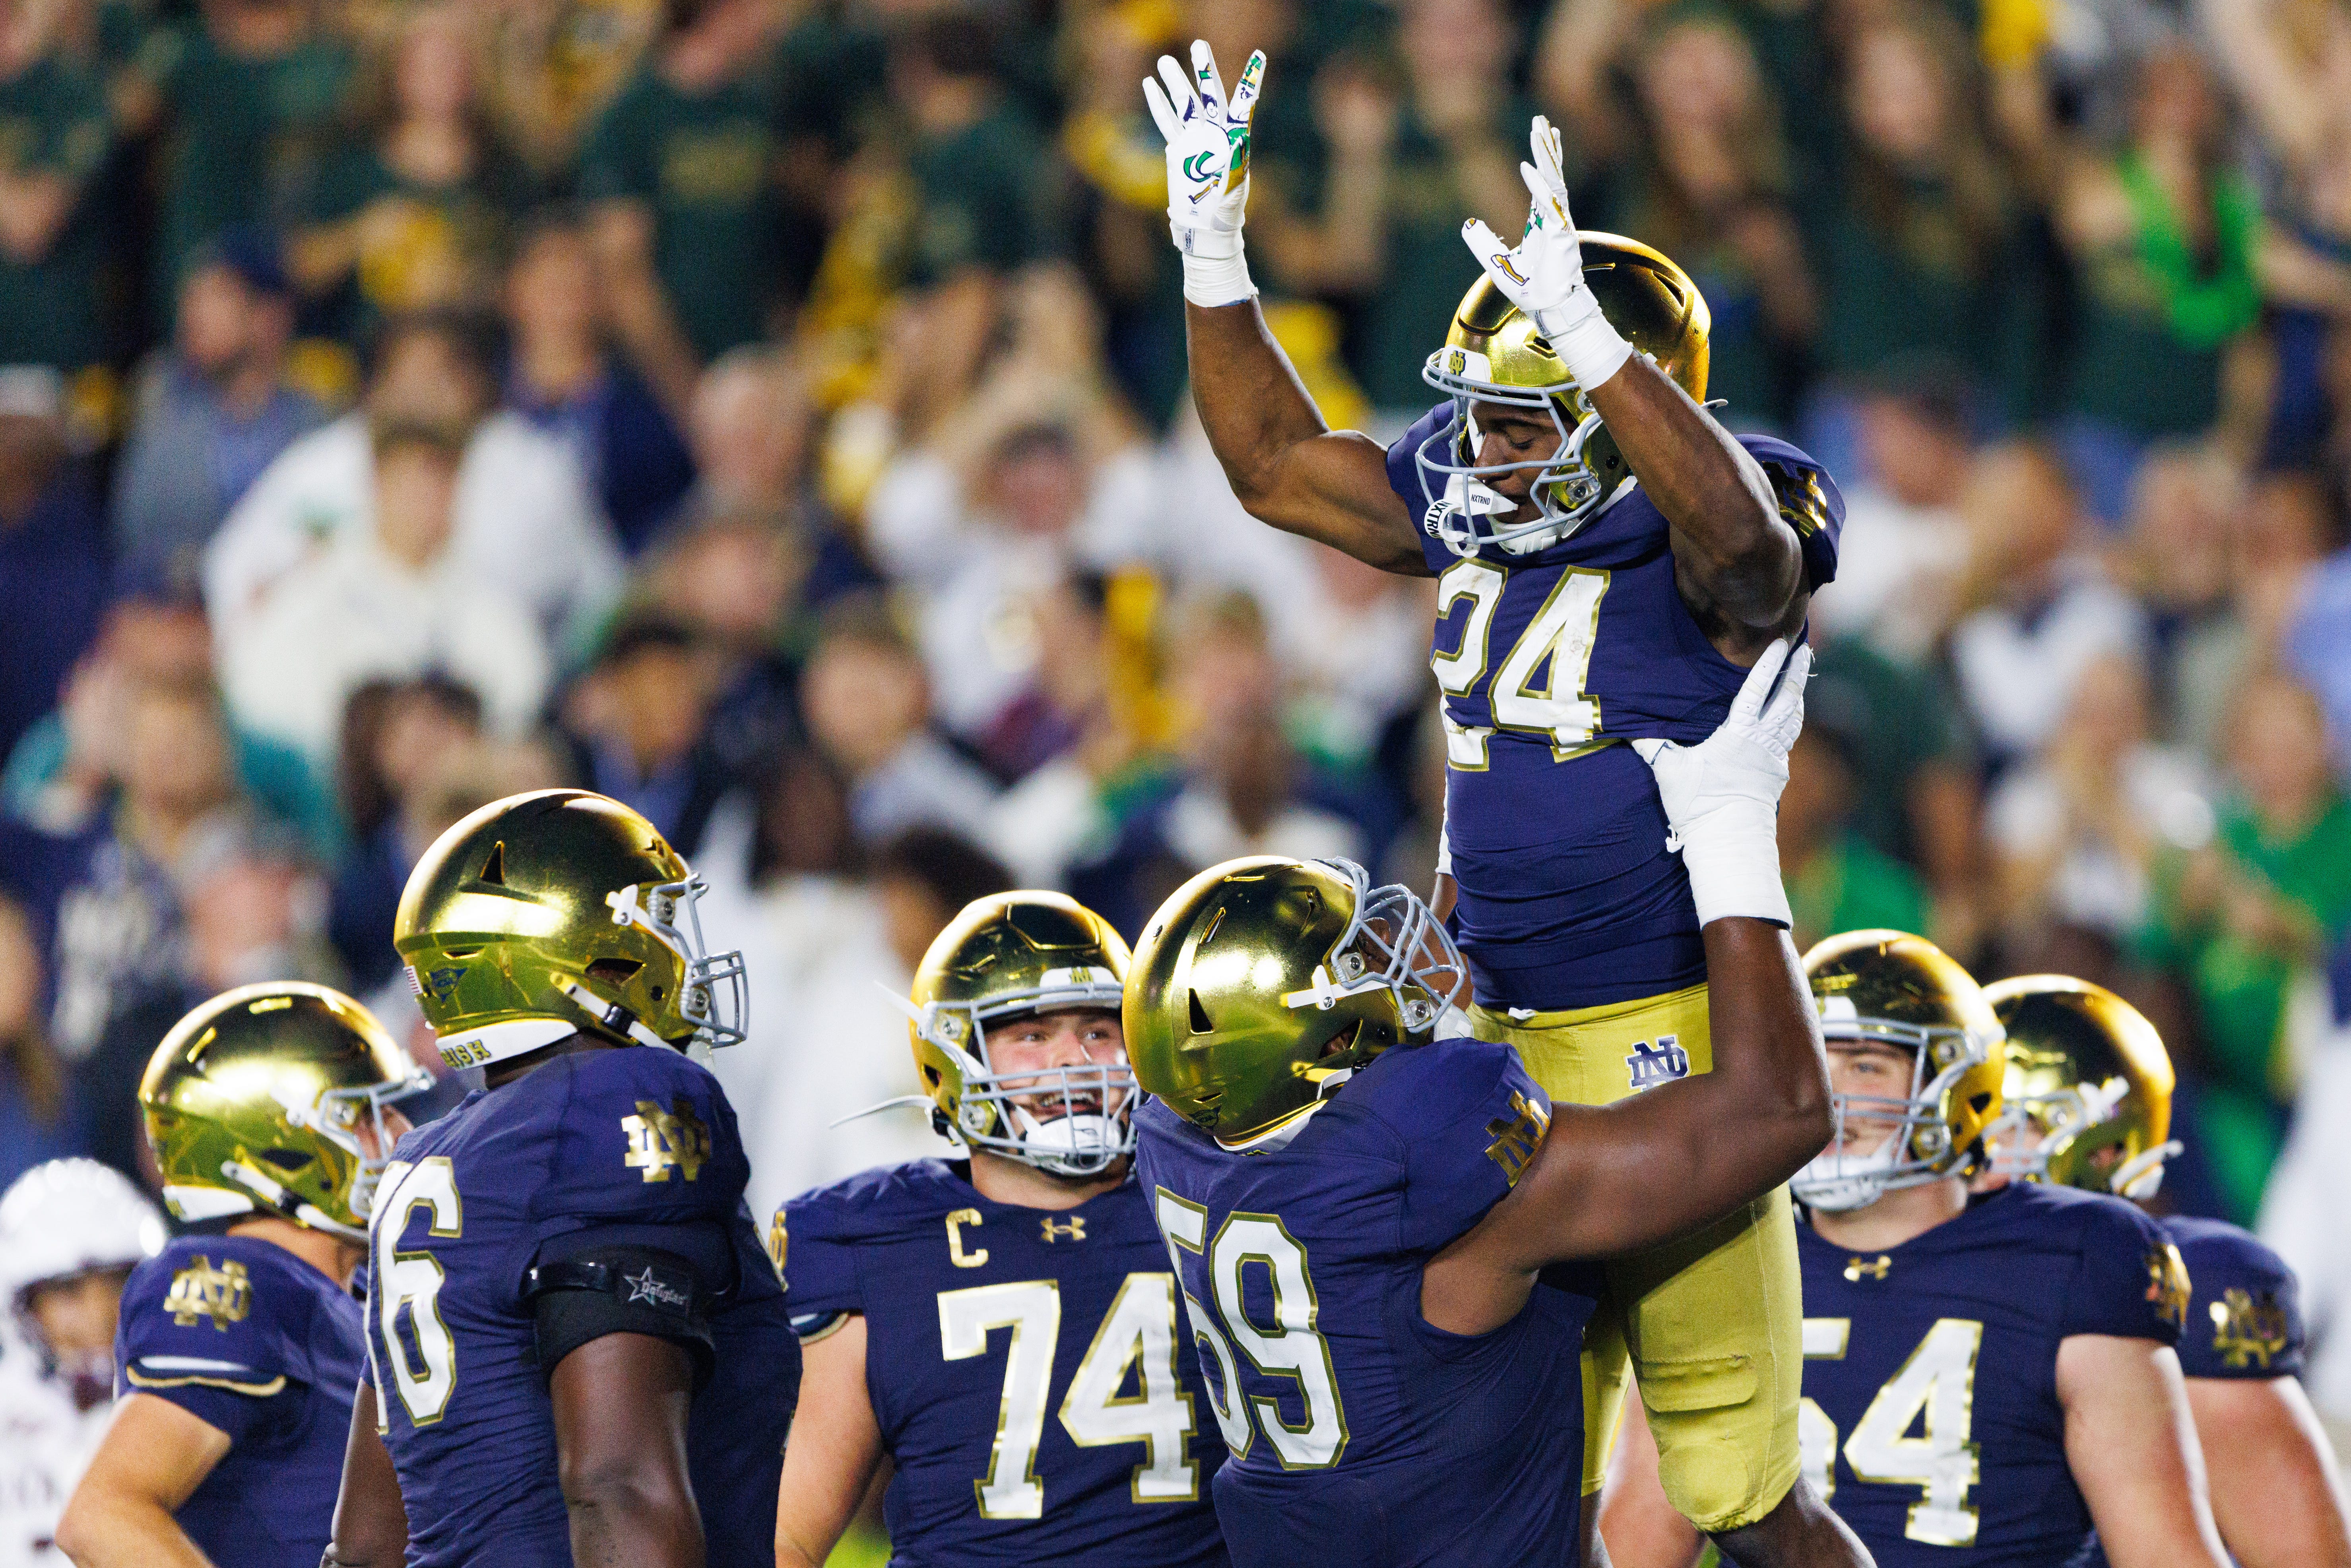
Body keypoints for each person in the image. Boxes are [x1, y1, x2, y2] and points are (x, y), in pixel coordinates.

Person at [1145, 43, 1853, 1558]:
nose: (1480, 450)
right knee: (1504, 1462)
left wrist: (1597, 348)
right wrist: (1212, 250)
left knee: (1737, 1490)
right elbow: (1275, 467)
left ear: (1624, 409)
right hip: (1481, 1027)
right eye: (1476, 412)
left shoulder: (1731, 501)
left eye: (1523, 421)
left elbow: (1749, 564)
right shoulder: (1477, 485)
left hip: (1667, 1026)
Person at [1132, 640, 1856, 1567]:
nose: (1389, 958)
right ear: (1309, 1046)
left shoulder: (1180, 1126)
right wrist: (1731, 823)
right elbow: (1783, 1112)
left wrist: (1480, 816)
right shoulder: (1424, 1161)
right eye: (1351, 966)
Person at [321, 788, 797, 1568]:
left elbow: (368, 1544)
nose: (679, 948)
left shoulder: (420, 1164)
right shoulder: (609, 1101)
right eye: (656, 917)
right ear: (577, 953)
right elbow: (617, 1481)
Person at [773, 890, 1230, 1566]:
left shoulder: (1204, 1200)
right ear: (953, 1057)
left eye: (1098, 1032)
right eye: (1031, 1035)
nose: (1072, 1060)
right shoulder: (874, 1241)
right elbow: (788, 1537)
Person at [1777, 933, 2229, 1567]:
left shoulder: (2072, 1258)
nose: (1830, 1095)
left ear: (1957, 1094)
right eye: (1815, 1061)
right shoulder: (1731, 1250)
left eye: (1866, 1065)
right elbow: (1642, 1535)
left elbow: (2166, 1554)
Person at [55, 983, 429, 1568]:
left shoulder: (354, 1294)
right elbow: (105, 1514)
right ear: (280, 1146)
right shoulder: (242, 1281)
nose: (403, 1134)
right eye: (364, 1118)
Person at [1984, 975, 2351, 1568]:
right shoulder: (1859, 1264)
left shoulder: (2189, 1292)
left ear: (2106, 1147)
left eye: (2008, 1126)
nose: (1969, 1151)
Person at [0, 1160, 164, 1562]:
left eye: (117, 1283)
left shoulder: (187, 1408)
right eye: (68, 1291)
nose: (101, 1314)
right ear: (22, 1308)